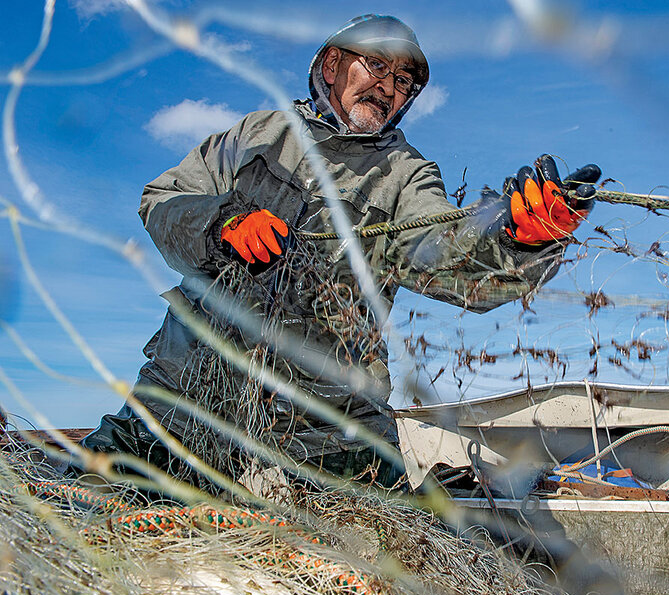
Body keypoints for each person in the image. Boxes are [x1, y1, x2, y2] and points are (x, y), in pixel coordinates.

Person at [77, 14, 600, 488]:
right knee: (88, 496)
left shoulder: (407, 175)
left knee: (399, 549)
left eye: (403, 82)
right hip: (187, 392)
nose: (388, 87)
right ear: (332, 64)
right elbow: (163, 200)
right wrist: (224, 223)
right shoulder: (260, 132)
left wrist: (522, 240)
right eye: (376, 65)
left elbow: (446, 257)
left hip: (331, 425)